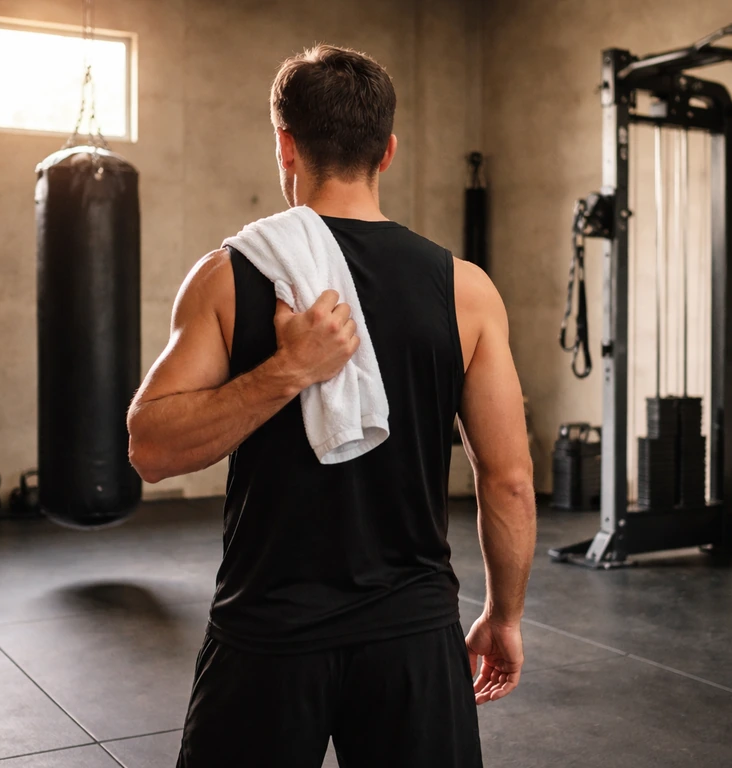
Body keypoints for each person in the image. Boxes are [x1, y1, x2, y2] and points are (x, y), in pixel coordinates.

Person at [127, 44, 536, 768]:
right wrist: (505, 617)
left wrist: (278, 371)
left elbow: (148, 449)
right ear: (388, 151)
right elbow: (506, 480)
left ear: (285, 144)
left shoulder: (231, 276)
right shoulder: (467, 290)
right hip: (407, 633)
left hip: (268, 631)